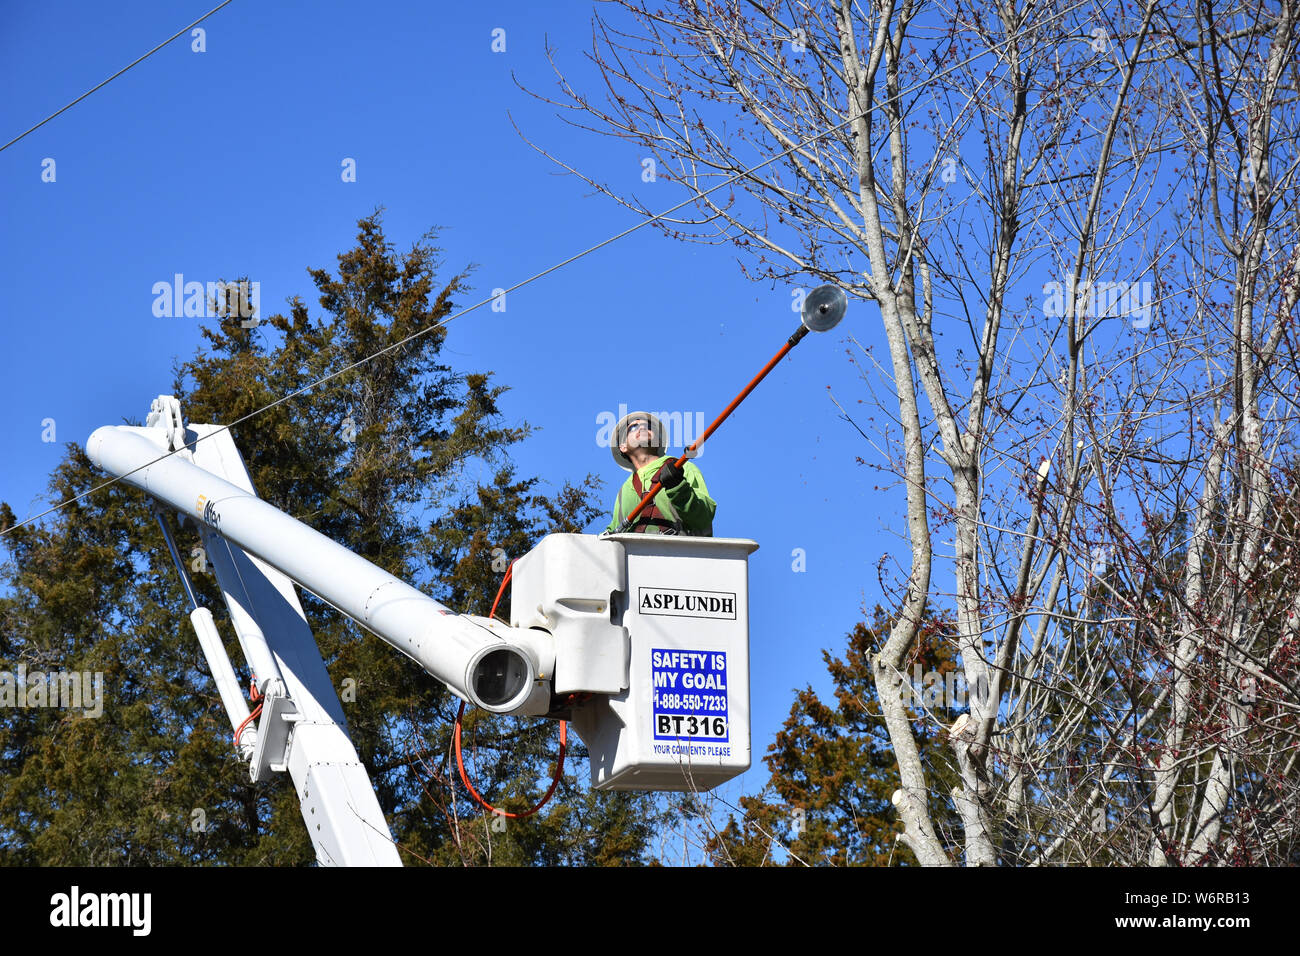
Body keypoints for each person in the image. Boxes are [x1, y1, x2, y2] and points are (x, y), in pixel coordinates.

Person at [603, 410, 715, 535]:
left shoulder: (683, 468)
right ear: (622, 447)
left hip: (682, 551)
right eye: (633, 427)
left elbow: (704, 517)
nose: (643, 427)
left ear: (658, 441)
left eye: (649, 426)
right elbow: (612, 537)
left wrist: (678, 487)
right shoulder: (624, 492)